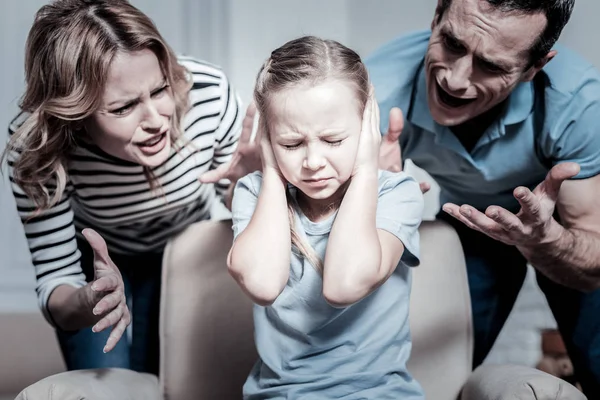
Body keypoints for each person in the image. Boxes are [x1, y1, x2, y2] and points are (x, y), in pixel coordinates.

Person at [3, 0, 259, 375]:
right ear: (75, 114)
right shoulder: (37, 147)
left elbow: (241, 212)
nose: (157, 121)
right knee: (109, 387)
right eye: (123, 108)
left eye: (159, 90)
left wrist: (249, 183)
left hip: (184, 248)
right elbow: (56, 281)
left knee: (166, 379)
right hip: (98, 260)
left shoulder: (208, 94)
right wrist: (89, 298)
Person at [365, 0, 600, 396]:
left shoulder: (577, 103)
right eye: (452, 44)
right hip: (468, 215)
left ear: (534, 67)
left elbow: (593, 259)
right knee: (432, 371)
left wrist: (544, 240)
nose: (455, 80)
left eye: (490, 66)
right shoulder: (378, 90)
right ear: (437, 15)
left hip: (557, 222)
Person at [228, 36, 425, 399]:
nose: (313, 162)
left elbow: (343, 286)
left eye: (333, 140)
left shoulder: (397, 193)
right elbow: (263, 284)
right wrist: (271, 172)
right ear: (269, 139)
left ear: (367, 124)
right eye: (290, 144)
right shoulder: (255, 194)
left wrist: (367, 169)